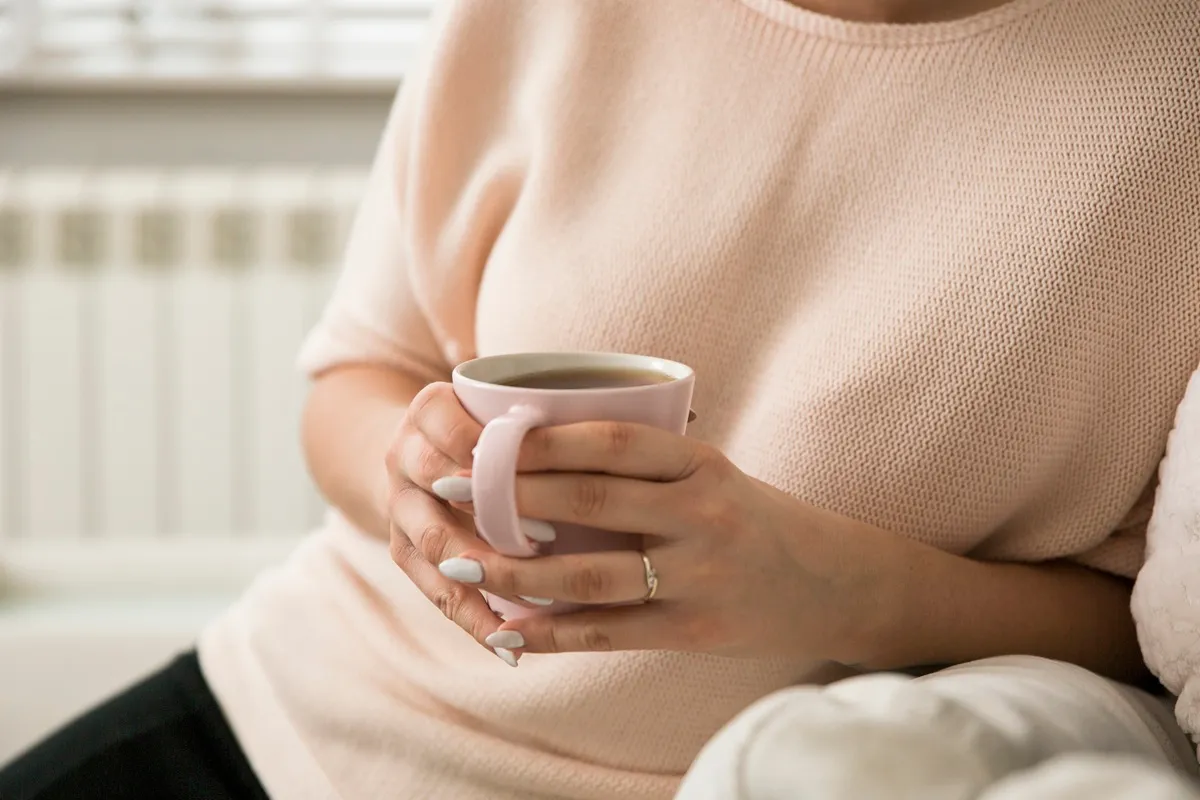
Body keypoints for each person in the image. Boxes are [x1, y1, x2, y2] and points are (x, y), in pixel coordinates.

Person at [3, 0, 1200, 797]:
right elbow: (355, 373)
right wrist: (406, 472)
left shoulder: (1170, 88)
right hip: (294, 711)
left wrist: (832, 586)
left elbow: (1147, 638)